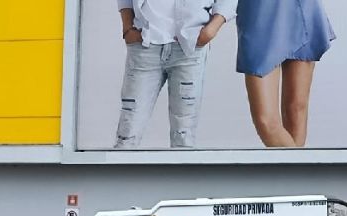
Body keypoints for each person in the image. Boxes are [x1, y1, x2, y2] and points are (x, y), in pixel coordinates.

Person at [115, 0, 237, 149]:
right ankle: (122, 165)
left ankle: (182, 165)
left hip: (189, 46)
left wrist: (211, 30)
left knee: (183, 133)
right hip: (146, 43)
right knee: (128, 129)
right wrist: (127, 28)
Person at [236, 0, 334, 148]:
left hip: (304, 6)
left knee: (296, 110)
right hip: (259, 10)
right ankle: (303, 164)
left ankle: (296, 163)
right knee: (266, 121)